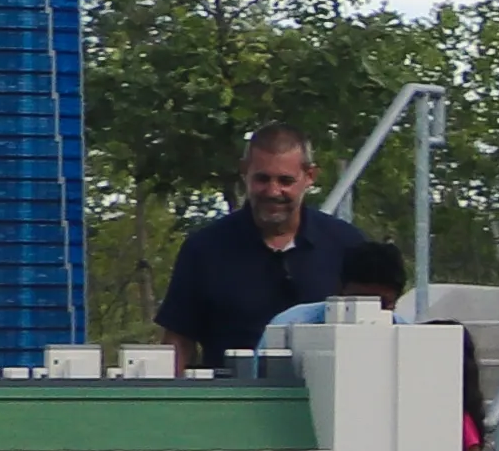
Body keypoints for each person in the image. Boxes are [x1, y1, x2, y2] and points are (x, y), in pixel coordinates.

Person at [154, 127, 377, 369]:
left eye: (285, 181)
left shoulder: (347, 245)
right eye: (262, 179)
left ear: (310, 176)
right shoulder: (204, 249)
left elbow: (375, 332)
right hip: (231, 401)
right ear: (244, 172)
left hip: (326, 400)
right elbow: (178, 343)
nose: (273, 192)